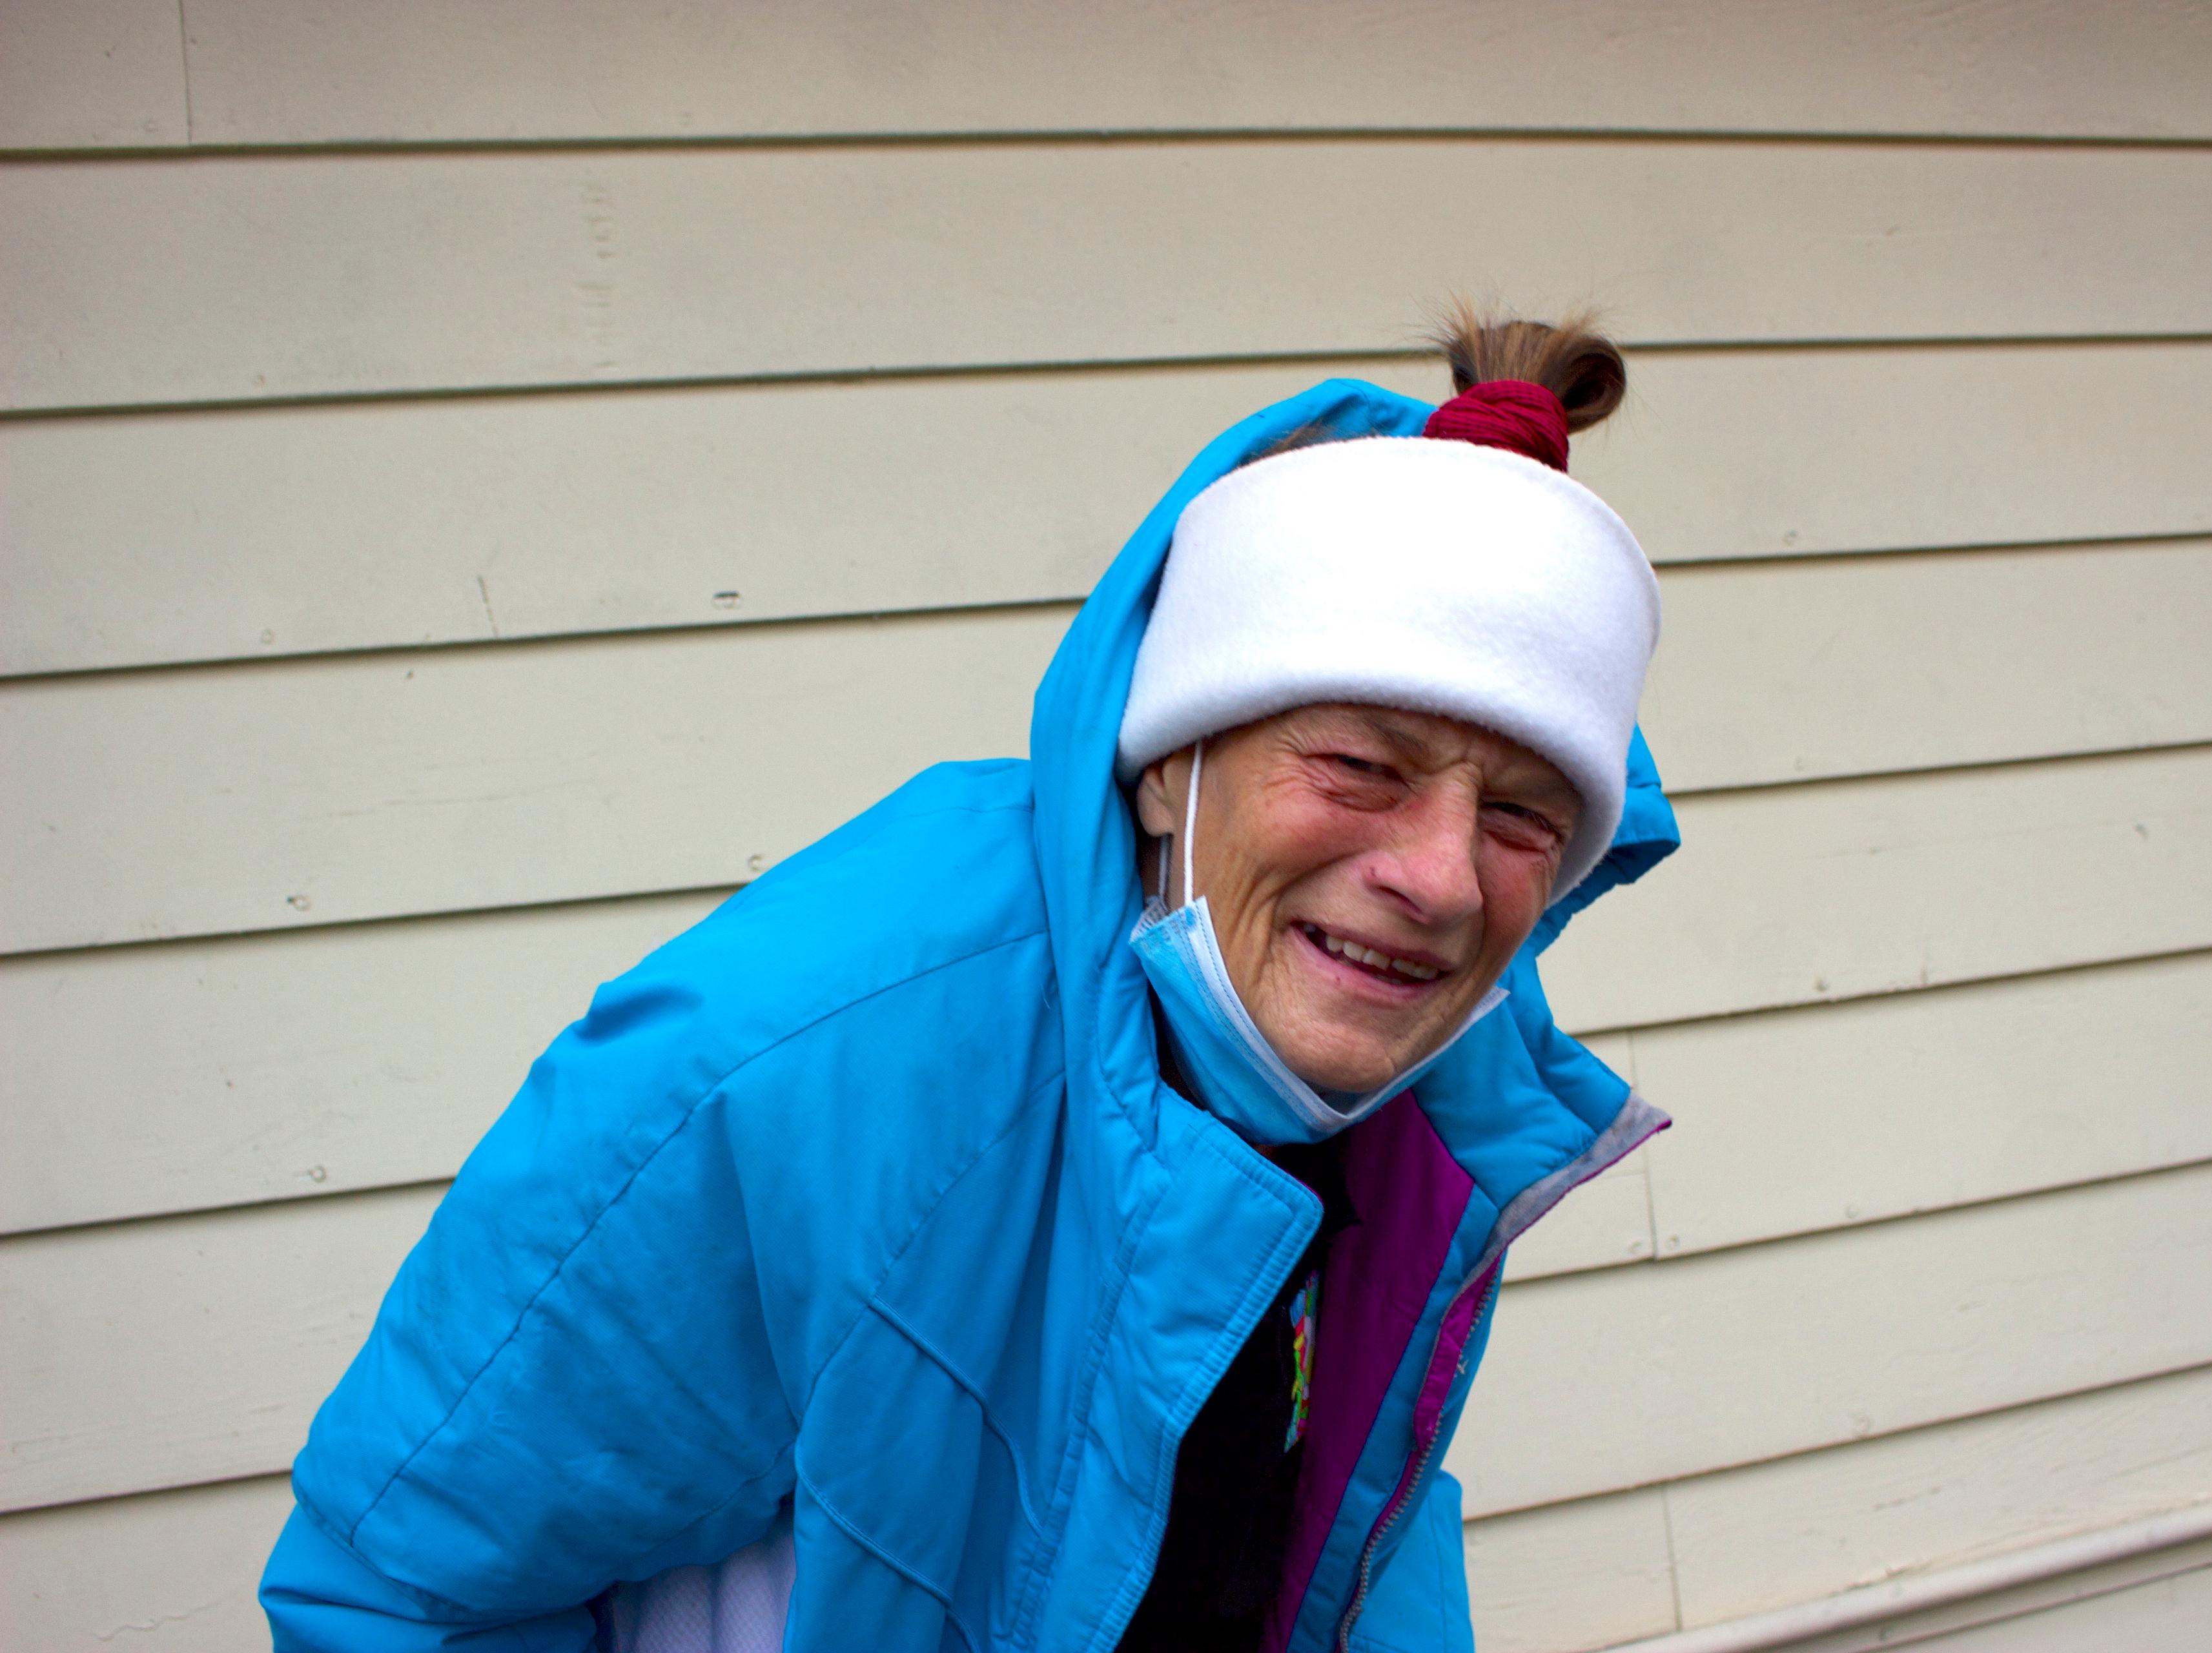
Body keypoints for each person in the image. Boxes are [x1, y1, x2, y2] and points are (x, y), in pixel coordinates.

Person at [260, 307, 1680, 1653]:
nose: (1438, 878)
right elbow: (399, 1587)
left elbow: (1341, 1531)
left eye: (1521, 817)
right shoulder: (807, 1056)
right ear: (1167, 771)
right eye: (1360, 765)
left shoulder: (1428, 1084)